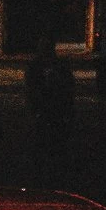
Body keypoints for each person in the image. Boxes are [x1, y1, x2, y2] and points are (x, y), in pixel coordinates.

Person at [21, 33, 74, 185]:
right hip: (44, 109)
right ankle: (41, 176)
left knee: (54, 143)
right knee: (41, 143)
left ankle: (52, 175)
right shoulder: (37, 66)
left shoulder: (57, 66)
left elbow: (68, 88)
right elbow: (30, 89)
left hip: (54, 109)